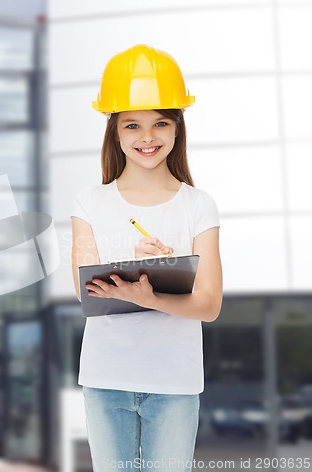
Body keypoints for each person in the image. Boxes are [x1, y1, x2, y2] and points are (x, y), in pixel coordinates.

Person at [71, 44, 223, 472]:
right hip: (105, 380)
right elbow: (84, 293)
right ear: (115, 133)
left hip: (174, 383)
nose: (148, 136)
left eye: (161, 122)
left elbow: (209, 305)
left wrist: (152, 295)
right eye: (132, 125)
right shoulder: (89, 203)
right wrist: (140, 270)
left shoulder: (199, 205)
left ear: (177, 128)